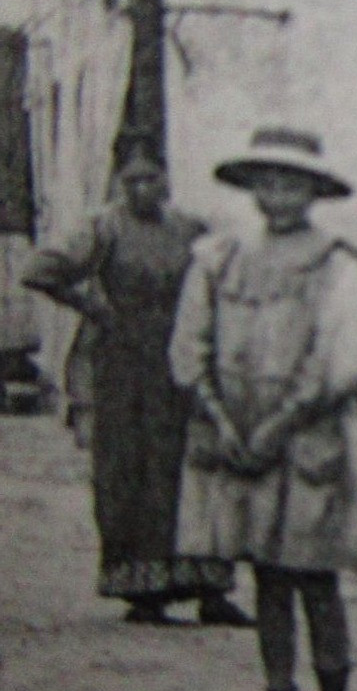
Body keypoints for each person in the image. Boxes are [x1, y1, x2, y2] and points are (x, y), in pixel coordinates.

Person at [169, 126, 357, 691]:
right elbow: (189, 346)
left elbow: (343, 359)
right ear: (250, 186)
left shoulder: (338, 264)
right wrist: (223, 420)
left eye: (293, 181)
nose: (279, 193)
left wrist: (281, 423)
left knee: (314, 576)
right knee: (266, 575)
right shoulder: (219, 257)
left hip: (309, 436)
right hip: (236, 434)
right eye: (268, 179)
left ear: (314, 190)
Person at [22, 143, 251, 627]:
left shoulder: (192, 230)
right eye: (133, 181)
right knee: (134, 469)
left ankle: (210, 589)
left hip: (184, 358)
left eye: (153, 178)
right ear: (118, 184)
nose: (144, 189)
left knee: (196, 465)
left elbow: (225, 284)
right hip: (127, 365)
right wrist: (95, 309)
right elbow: (39, 271)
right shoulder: (103, 227)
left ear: (168, 180)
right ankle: (145, 593)